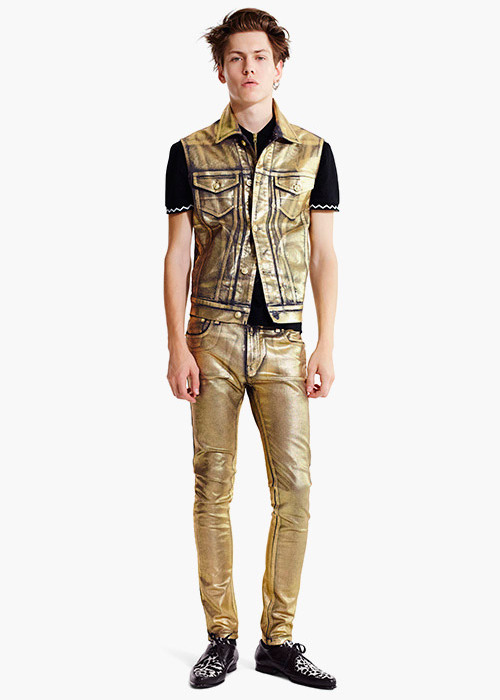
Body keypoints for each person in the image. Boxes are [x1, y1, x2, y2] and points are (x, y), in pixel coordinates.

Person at [164, 8, 339, 691]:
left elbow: (324, 254)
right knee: (212, 487)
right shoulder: (188, 152)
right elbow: (178, 254)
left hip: (285, 343)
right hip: (211, 338)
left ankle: (279, 640)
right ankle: (221, 636)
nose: (248, 68)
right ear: (221, 70)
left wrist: (327, 343)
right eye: (235, 58)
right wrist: (176, 346)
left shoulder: (315, 152)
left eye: (259, 57)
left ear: (279, 66)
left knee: (294, 488)